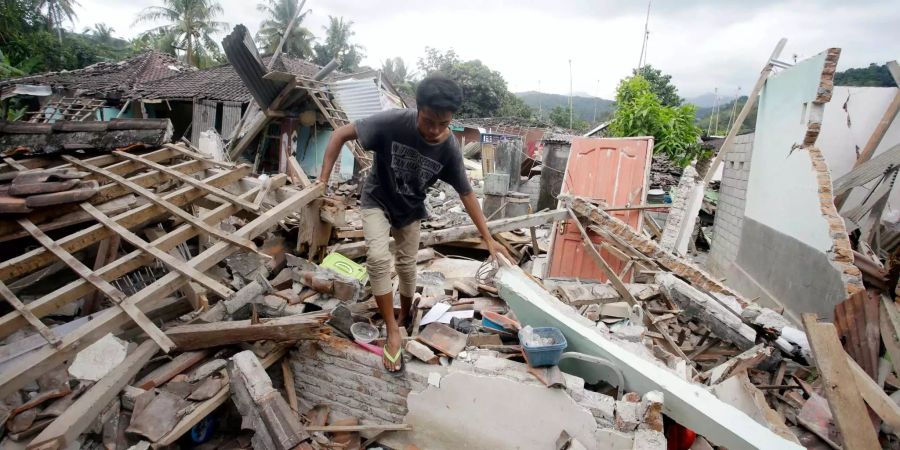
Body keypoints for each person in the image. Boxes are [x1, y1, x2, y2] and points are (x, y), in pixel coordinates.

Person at [317, 73, 511, 374]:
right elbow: (339, 134)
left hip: (410, 209)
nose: (435, 130)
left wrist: (488, 238)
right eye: (429, 120)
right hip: (377, 199)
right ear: (417, 108)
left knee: (407, 267)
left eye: (443, 124)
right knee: (379, 260)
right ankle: (393, 331)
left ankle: (404, 315)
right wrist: (322, 181)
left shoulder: (448, 148)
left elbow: (467, 193)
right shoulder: (393, 122)